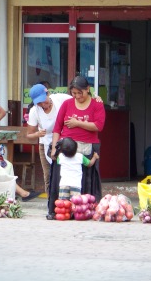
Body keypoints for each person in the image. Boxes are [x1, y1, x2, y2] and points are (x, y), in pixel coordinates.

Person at [49, 76, 106, 219]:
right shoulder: (67, 104)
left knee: (85, 180)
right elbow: (57, 128)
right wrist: (55, 149)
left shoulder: (97, 104)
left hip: (87, 146)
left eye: (80, 93)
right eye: (74, 93)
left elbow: (98, 126)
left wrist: (77, 123)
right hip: (65, 146)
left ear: (88, 90)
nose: (77, 96)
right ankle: (58, 210)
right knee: (61, 180)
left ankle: (83, 211)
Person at [26, 83, 71, 195]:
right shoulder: (34, 111)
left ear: (48, 93)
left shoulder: (60, 99)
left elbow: (79, 100)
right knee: (49, 176)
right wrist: (37, 134)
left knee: (65, 174)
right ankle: (51, 204)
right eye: (39, 103)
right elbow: (29, 134)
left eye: (43, 100)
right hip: (45, 144)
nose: (42, 104)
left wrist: (95, 98)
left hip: (64, 142)